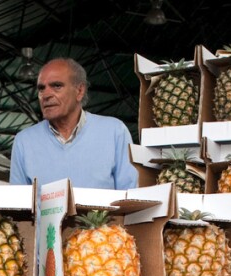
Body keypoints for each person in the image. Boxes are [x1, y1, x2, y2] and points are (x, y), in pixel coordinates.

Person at [9, 58, 137, 190]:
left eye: (57, 86)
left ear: (80, 91)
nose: (46, 94)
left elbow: (130, 196)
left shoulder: (115, 132)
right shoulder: (24, 141)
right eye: (41, 88)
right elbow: (18, 204)